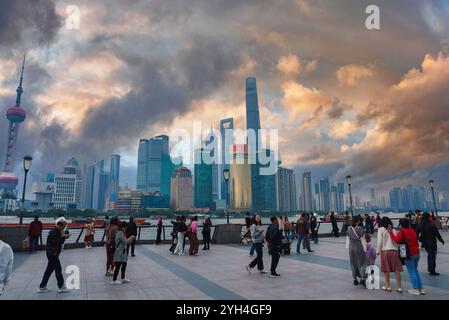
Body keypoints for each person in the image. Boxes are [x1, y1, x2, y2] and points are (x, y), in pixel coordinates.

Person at [388, 218, 425, 295]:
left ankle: (415, 289)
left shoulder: (402, 232)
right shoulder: (412, 230)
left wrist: (391, 232)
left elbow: (396, 240)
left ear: (400, 224)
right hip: (416, 253)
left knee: (412, 271)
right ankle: (421, 288)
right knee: (415, 270)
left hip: (409, 254)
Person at [37, 220, 71, 293]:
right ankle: (61, 286)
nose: (63, 229)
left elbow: (57, 241)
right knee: (58, 269)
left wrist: (63, 237)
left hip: (51, 253)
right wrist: (64, 237)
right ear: (59, 225)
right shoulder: (54, 232)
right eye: (63, 227)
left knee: (49, 270)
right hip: (53, 254)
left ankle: (42, 286)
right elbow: (55, 242)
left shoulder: (54, 231)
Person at [376, 217, 403, 292]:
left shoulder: (380, 229)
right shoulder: (394, 230)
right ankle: (399, 287)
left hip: (385, 251)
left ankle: (388, 286)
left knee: (386, 269)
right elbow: (396, 241)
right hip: (394, 251)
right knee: (397, 269)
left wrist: (378, 251)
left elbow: (380, 241)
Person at [347, 216, 368, 287]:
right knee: (362, 262)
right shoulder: (360, 228)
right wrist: (365, 249)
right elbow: (363, 240)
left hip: (351, 247)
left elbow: (347, 239)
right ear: (358, 221)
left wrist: (347, 247)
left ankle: (355, 279)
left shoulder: (349, 228)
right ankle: (363, 278)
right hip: (358, 247)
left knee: (353, 263)